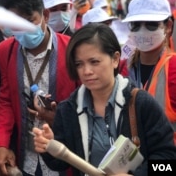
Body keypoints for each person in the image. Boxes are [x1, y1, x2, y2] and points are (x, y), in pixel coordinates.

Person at [32, 23, 176, 176]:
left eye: (94, 62)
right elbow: (60, 164)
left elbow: (167, 161)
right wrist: (49, 146)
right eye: (79, 64)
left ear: (115, 59)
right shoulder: (68, 110)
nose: (87, 71)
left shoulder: (141, 103)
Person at [0, 0, 78, 175]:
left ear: (45, 15)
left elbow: (84, 103)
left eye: (29, 20)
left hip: (63, 155)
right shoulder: (5, 51)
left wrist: (60, 119)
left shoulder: (72, 50)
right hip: (26, 157)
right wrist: (1, 143)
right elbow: (6, 99)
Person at [119, 0, 176, 143]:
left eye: (151, 24)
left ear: (168, 26)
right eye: (136, 25)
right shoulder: (123, 67)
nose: (143, 31)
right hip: (135, 160)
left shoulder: (173, 68)